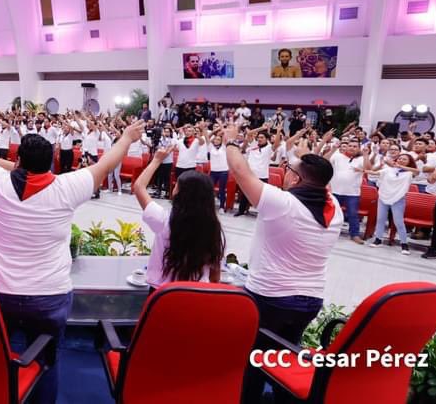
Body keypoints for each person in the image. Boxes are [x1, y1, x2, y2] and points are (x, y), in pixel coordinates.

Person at [0, 120, 145, 403]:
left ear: (17, 160)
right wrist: (126, 138)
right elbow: (105, 164)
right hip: (47, 297)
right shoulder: (67, 187)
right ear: (52, 161)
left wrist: (12, 167)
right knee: (46, 361)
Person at [221, 123, 343, 404]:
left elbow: (241, 171)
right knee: (286, 356)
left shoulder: (282, 203)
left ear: (297, 179)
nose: (284, 172)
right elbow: (322, 180)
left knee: (254, 359)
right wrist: (305, 154)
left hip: (271, 299)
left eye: (288, 169)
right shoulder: (333, 207)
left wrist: (230, 142)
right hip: (310, 301)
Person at [133, 145, 225, 292]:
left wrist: (157, 160)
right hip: (197, 293)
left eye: (177, 186)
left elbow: (139, 187)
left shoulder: (163, 220)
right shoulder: (214, 229)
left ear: (180, 194)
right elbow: (215, 277)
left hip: (163, 293)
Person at [367, 150, 417, 254]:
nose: (401, 160)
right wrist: (365, 170)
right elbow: (374, 172)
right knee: (380, 219)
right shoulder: (388, 169)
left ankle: (404, 244)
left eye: (404, 159)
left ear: (409, 162)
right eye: (400, 158)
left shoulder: (409, 172)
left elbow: (417, 171)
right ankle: (378, 239)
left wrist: (400, 166)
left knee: (399, 222)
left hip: (398, 199)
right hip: (383, 196)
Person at [327, 140, 367, 244]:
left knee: (353, 214)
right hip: (335, 191)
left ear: (358, 148)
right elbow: (325, 160)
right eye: (350, 146)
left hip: (352, 193)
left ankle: (355, 234)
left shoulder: (361, 159)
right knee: (331, 212)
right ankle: (327, 230)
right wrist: (333, 149)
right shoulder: (337, 156)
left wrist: (366, 155)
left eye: (355, 146)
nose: (352, 148)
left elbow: (368, 168)